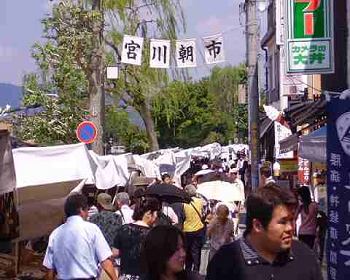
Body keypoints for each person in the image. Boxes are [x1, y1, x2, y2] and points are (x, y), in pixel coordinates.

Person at [207, 186, 322, 280]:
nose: (290, 228)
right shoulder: (225, 262)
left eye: (291, 220)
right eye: (282, 222)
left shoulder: (304, 256)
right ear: (258, 225)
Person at [43, 193, 117, 280]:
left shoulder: (55, 233)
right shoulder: (92, 229)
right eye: (87, 210)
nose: (88, 214)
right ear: (81, 210)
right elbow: (105, 261)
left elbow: (50, 269)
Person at [113, 197, 160, 280]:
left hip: (125, 277)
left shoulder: (124, 229)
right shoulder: (153, 234)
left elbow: (115, 253)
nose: (157, 217)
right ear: (149, 213)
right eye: (156, 213)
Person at [183, 184, 205, 274]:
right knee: (197, 251)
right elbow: (203, 212)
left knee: (188, 252)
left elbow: (183, 217)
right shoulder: (199, 201)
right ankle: (196, 270)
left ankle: (188, 270)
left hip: (187, 230)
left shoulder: (183, 204)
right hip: (199, 229)